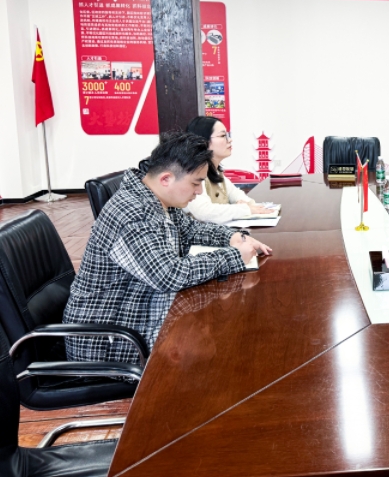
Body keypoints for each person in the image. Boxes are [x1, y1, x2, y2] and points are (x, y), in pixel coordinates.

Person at [63, 132, 272, 364]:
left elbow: (190, 230)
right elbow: (169, 275)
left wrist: (233, 236)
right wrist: (234, 256)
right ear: (166, 179)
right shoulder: (133, 213)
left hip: (141, 315)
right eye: (196, 183)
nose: (199, 191)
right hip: (110, 342)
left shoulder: (157, 197)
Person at [184, 116, 275, 223]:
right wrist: (244, 209)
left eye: (228, 135)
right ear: (203, 140)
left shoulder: (215, 171)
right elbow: (204, 212)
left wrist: (247, 204)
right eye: (223, 136)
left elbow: (236, 194)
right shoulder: (192, 173)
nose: (230, 140)